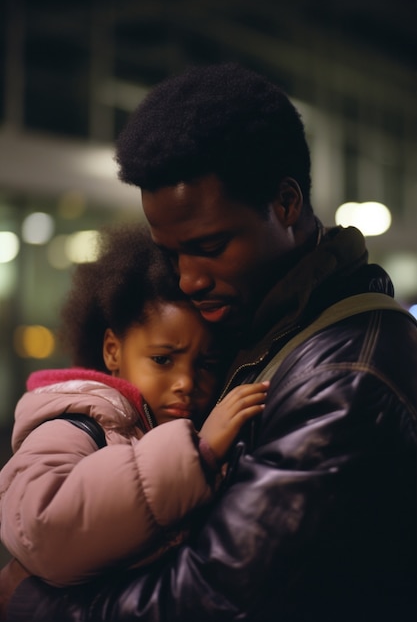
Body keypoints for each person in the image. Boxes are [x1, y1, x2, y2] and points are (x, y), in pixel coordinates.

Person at [4, 62, 417, 622]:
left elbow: (215, 600)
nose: (188, 279)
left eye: (211, 245)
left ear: (286, 204)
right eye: (173, 253)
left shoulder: (342, 379)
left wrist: (29, 603)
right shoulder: (265, 332)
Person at [0, 224, 267, 598]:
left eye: (206, 364)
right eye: (162, 359)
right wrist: (198, 455)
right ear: (112, 350)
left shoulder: (157, 427)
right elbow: (42, 531)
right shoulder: (74, 422)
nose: (185, 382)